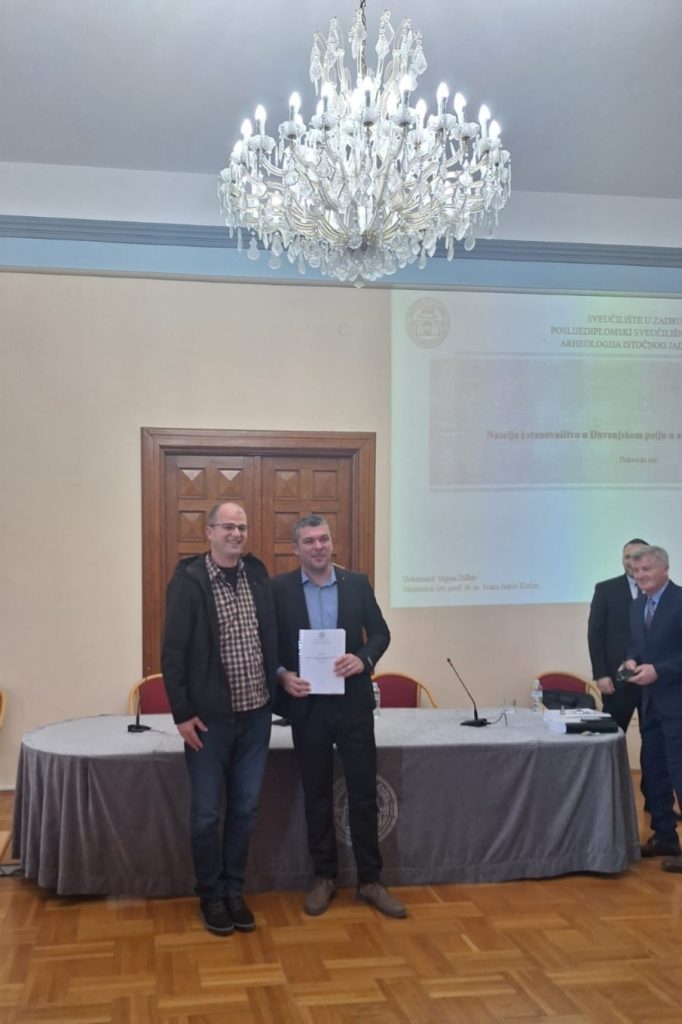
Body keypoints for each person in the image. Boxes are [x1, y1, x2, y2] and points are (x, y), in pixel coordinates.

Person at [272, 515, 406, 919]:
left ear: (332, 543)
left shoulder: (356, 584)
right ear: (296, 549)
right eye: (309, 541)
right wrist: (282, 675)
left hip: (352, 707)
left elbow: (380, 633)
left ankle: (371, 881)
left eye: (324, 539)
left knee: (363, 794)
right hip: (307, 708)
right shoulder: (279, 590)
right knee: (316, 796)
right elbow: (268, 644)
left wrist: (363, 659)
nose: (318, 547)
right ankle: (324, 877)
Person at [161, 501, 278, 935]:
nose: (236, 534)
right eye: (227, 526)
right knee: (207, 814)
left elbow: (270, 637)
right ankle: (210, 894)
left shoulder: (257, 575)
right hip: (209, 723)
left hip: (256, 718)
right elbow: (172, 654)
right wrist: (182, 714)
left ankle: (233, 889)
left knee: (245, 809)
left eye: (241, 527)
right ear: (209, 531)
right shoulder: (188, 582)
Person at [621, 545, 682, 870]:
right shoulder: (637, 605)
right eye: (636, 570)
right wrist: (631, 661)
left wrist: (660, 670)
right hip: (650, 704)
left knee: (679, 771)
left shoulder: (680, 600)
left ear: (665, 569)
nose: (640, 575)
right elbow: (636, 646)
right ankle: (664, 836)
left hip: (678, 702)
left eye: (646, 569)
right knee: (654, 770)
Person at [587, 538, 648, 731]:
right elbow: (595, 634)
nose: (631, 562)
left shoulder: (660, 590)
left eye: (637, 556)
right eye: (627, 557)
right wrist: (601, 674)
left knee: (654, 739)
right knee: (611, 735)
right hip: (617, 679)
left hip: (653, 680)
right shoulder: (606, 589)